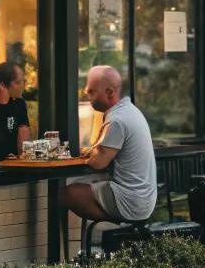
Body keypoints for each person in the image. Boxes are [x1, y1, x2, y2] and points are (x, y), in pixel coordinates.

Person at [59, 66, 157, 225]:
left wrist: (83, 153)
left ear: (110, 92)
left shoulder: (117, 120)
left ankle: (113, 224)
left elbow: (98, 162)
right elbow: (102, 153)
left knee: (66, 195)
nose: (88, 96)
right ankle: (111, 226)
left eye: (91, 92)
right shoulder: (130, 110)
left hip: (130, 201)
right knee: (81, 187)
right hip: (143, 200)